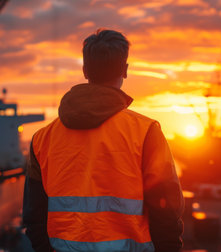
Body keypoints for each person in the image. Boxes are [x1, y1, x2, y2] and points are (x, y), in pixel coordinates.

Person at [23, 29, 184, 252]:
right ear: (124, 70)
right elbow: (165, 212)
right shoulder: (146, 132)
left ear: (85, 70)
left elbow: (34, 216)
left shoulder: (42, 139)